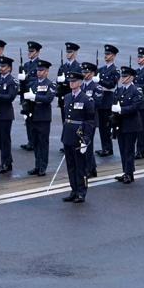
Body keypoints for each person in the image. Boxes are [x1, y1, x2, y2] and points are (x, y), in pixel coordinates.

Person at [60, 71, 96, 202]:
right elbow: (66, 118)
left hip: (79, 136)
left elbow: (90, 121)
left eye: (74, 81)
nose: (71, 83)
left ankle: (81, 192)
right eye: (70, 81)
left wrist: (86, 139)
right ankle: (73, 190)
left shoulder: (86, 99)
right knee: (71, 165)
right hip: (68, 135)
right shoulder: (68, 97)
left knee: (81, 166)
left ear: (80, 83)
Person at [110, 66, 144, 183]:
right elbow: (114, 103)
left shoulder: (136, 90)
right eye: (122, 76)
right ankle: (126, 171)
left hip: (131, 124)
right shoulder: (119, 90)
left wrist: (121, 110)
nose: (123, 78)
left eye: (125, 76)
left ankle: (129, 174)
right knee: (122, 148)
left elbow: (136, 106)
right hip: (120, 123)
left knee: (129, 150)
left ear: (131, 78)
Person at [25, 59, 55, 176]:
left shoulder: (50, 84)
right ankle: (37, 166)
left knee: (43, 143)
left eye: (42, 70)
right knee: (35, 143)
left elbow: (48, 99)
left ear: (47, 72)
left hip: (43, 117)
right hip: (33, 116)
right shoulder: (33, 84)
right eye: (38, 70)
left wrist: (35, 97)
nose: (39, 72)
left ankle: (43, 167)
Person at [96, 44, 120, 158]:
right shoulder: (101, 69)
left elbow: (111, 85)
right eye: (105, 54)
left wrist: (99, 80)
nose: (106, 56)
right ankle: (104, 147)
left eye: (108, 54)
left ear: (114, 56)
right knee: (101, 126)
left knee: (106, 125)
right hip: (100, 99)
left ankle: (108, 148)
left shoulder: (115, 70)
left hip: (108, 99)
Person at [18, 40, 42, 150]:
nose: (29, 53)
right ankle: (30, 141)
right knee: (27, 119)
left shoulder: (40, 65)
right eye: (29, 51)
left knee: (34, 120)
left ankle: (35, 141)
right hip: (25, 95)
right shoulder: (26, 65)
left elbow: (39, 79)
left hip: (33, 96)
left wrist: (26, 78)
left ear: (37, 52)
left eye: (32, 51)